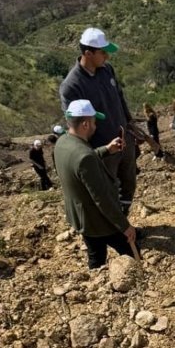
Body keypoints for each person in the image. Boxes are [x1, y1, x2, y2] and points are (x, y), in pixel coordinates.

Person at [60, 27, 137, 216]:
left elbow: (119, 97)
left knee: (128, 183)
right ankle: (117, 230)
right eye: (103, 52)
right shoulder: (72, 86)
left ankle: (124, 220)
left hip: (123, 140)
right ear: (88, 53)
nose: (107, 57)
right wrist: (97, 151)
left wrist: (129, 124)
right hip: (103, 149)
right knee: (107, 191)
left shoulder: (106, 70)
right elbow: (75, 126)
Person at [53, 99, 137, 269]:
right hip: (99, 222)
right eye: (93, 122)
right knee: (131, 254)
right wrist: (125, 226)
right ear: (85, 124)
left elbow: (80, 163)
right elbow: (102, 199)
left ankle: (96, 279)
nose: (95, 126)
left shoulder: (62, 142)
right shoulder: (85, 156)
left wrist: (106, 149)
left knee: (96, 257)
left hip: (81, 218)